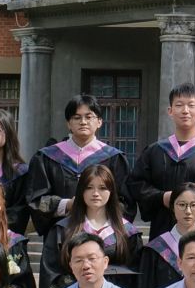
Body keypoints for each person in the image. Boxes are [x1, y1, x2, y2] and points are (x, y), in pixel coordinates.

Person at [129, 83, 195, 237]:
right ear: (170, 111)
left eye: (191, 105)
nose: (185, 110)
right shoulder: (155, 151)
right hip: (163, 233)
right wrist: (162, 197)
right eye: (179, 105)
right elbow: (137, 185)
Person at [24, 94, 133, 229]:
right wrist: (67, 205)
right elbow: (36, 200)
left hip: (102, 234)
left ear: (99, 122)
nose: (83, 122)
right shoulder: (47, 157)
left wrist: (97, 212)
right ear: (68, 123)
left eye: (89, 117)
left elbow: (125, 203)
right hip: (60, 233)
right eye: (76, 117)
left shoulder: (114, 158)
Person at [38, 162, 137, 288]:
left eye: (102, 188)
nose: (95, 193)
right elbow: (51, 274)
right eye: (89, 187)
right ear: (81, 191)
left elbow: (136, 279)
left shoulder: (127, 232)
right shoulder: (62, 230)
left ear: (111, 192)